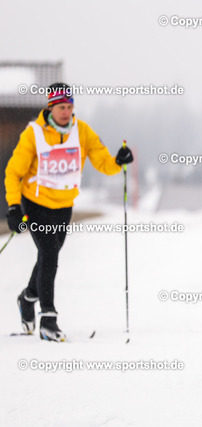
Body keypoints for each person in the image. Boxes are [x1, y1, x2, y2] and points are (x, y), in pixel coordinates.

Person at [5, 82, 134, 342]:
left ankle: (27, 298)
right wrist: (14, 206)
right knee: (50, 254)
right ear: (50, 108)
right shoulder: (34, 134)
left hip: (64, 206)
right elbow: (13, 172)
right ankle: (48, 319)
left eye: (69, 107)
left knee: (48, 256)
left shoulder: (81, 131)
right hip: (36, 204)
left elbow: (102, 161)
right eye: (61, 107)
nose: (66, 112)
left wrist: (118, 161)